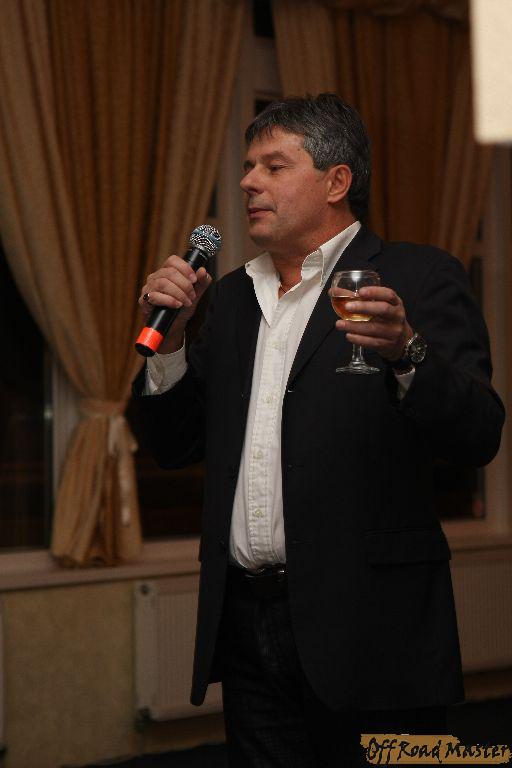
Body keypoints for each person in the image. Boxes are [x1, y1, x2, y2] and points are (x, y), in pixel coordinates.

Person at [133, 94, 504, 767]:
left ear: (337, 181)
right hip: (247, 625)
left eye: (273, 166)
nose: (248, 182)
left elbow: (478, 434)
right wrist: (172, 343)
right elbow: (174, 445)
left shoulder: (419, 276)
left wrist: (407, 352)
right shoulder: (232, 297)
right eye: (248, 166)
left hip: (374, 627)